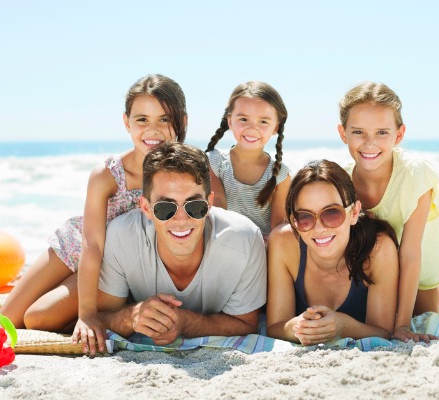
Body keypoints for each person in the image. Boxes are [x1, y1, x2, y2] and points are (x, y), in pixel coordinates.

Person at [0, 74, 187, 353]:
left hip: (113, 266)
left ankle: (108, 309)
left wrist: (90, 314)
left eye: (164, 119)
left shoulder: (186, 172)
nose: (153, 130)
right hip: (79, 245)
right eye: (142, 120)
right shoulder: (108, 174)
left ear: (182, 122)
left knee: (36, 318)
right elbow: (92, 244)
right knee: (6, 318)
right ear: (126, 122)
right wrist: (86, 313)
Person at [337, 82, 439, 343]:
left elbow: (410, 252)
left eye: (382, 132)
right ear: (343, 133)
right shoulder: (342, 182)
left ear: (399, 134)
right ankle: (435, 287)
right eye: (358, 131)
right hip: (418, 269)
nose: (370, 143)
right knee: (428, 316)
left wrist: (402, 325)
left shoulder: (415, 173)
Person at [96, 142, 266, 345]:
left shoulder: (244, 240)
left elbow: (247, 324)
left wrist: (187, 322)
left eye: (194, 205)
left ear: (209, 204)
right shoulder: (122, 236)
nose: (181, 219)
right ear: (146, 207)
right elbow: (101, 316)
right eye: (165, 207)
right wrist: (131, 317)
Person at [266, 160, 400, 345]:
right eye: (304, 217)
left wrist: (343, 326)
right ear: (293, 221)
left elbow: (384, 332)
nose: (319, 228)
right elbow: (275, 327)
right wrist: (300, 327)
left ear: (354, 212)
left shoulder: (378, 249)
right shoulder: (282, 243)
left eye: (331, 213)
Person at [205, 81, 291, 239]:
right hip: (224, 241)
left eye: (263, 121)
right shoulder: (214, 162)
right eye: (243, 119)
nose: (252, 128)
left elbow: (279, 225)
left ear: (275, 128)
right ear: (230, 121)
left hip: (263, 250)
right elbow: (218, 212)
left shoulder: (280, 175)